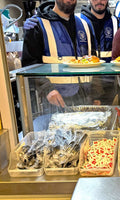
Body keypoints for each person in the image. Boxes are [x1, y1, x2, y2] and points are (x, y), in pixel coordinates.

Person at [22, 0, 103, 130]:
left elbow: (94, 62)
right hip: (54, 103)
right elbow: (29, 65)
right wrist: (47, 89)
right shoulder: (38, 25)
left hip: (84, 101)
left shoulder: (85, 25)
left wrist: (96, 95)